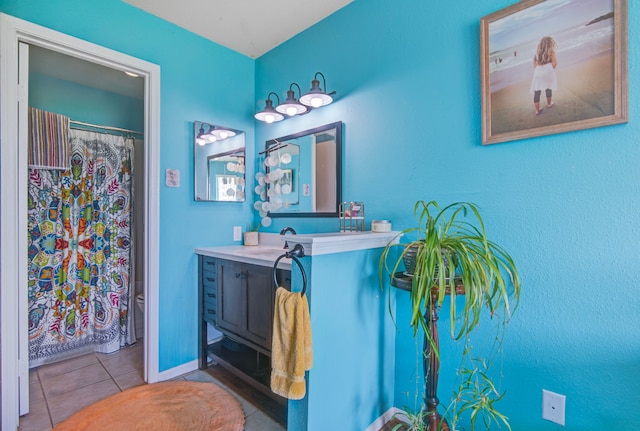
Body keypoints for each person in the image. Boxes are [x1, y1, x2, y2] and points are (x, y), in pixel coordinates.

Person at [530, 36, 557, 115]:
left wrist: (538, 70)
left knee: (537, 91)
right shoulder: (551, 51)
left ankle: (537, 110)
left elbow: (534, 64)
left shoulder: (537, 52)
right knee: (548, 88)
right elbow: (554, 63)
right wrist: (549, 70)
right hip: (547, 71)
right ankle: (549, 104)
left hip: (538, 72)